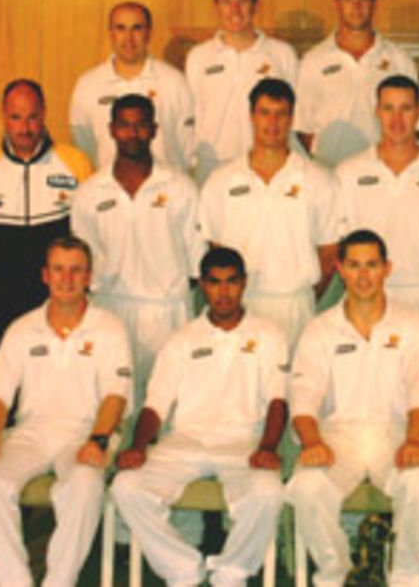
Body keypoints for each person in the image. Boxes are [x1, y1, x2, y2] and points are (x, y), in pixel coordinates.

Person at [111, 246, 288, 587]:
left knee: (268, 492)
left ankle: (230, 575)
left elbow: (278, 401)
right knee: (126, 487)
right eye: (214, 282)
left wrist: (267, 447)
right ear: (203, 285)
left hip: (242, 442)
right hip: (184, 441)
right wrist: (138, 447)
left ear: (244, 283)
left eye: (231, 282)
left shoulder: (270, 334)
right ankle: (182, 570)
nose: (224, 292)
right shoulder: (182, 338)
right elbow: (155, 404)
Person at [0, 236, 131, 587]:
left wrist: (98, 440)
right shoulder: (21, 329)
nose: (66, 279)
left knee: (85, 483)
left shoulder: (109, 328)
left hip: (85, 433)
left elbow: (115, 396)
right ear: (45, 275)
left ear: (88, 277)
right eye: (58, 270)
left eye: (76, 270)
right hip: (31, 433)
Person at [287, 230, 419, 587]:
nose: (364, 275)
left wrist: (416, 440)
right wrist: (312, 442)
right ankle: (336, 573)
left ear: (387, 268)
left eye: (372, 265)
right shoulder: (320, 329)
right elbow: (304, 397)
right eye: (354, 266)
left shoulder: (413, 324)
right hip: (337, 436)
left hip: (397, 433)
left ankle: (404, 576)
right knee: (307, 487)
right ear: (340, 269)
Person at [71, 94, 205, 411]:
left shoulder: (181, 188)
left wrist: (167, 294)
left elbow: (196, 266)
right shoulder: (89, 193)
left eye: (141, 125)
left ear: (155, 129)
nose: (133, 133)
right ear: (111, 130)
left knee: (168, 410)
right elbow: (84, 265)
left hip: (167, 313)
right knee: (114, 410)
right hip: (111, 309)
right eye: (125, 125)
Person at [0, 78, 94, 393]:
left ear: (44, 114)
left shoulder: (75, 164)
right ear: (4, 117)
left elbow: (89, 236)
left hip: (60, 311)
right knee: (1, 400)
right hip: (2, 311)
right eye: (16, 117)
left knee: (60, 400)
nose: (25, 127)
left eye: (32, 117)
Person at [198, 78, 341, 347]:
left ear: (292, 118)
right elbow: (215, 249)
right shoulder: (221, 181)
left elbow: (329, 253)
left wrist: (298, 291)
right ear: (251, 116)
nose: (272, 123)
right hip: (240, 305)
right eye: (264, 113)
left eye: (281, 114)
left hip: (295, 306)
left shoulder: (318, 180)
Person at [335, 75, 419, 342]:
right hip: (366, 296)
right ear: (377, 111)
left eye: (406, 109)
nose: (397, 119)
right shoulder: (348, 173)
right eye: (388, 108)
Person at [296, 0, 417, 168]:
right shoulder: (313, 61)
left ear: (374, 4)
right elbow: (304, 128)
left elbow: (412, 125)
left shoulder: (399, 60)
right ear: (337, 3)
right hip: (330, 171)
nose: (356, 7)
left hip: (384, 172)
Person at [187, 0, 300, 181]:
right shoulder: (198, 57)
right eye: (226, 1)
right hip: (212, 167)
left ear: (255, 6)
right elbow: (191, 117)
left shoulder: (282, 54)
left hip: (268, 166)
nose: (235, 10)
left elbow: (295, 114)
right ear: (216, 7)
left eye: (243, 1)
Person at [70, 1, 195, 171]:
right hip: (108, 185)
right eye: (120, 28)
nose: (128, 38)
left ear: (148, 33)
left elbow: (189, 148)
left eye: (137, 28)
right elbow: (83, 151)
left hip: (166, 185)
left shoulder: (174, 82)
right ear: (111, 33)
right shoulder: (88, 85)